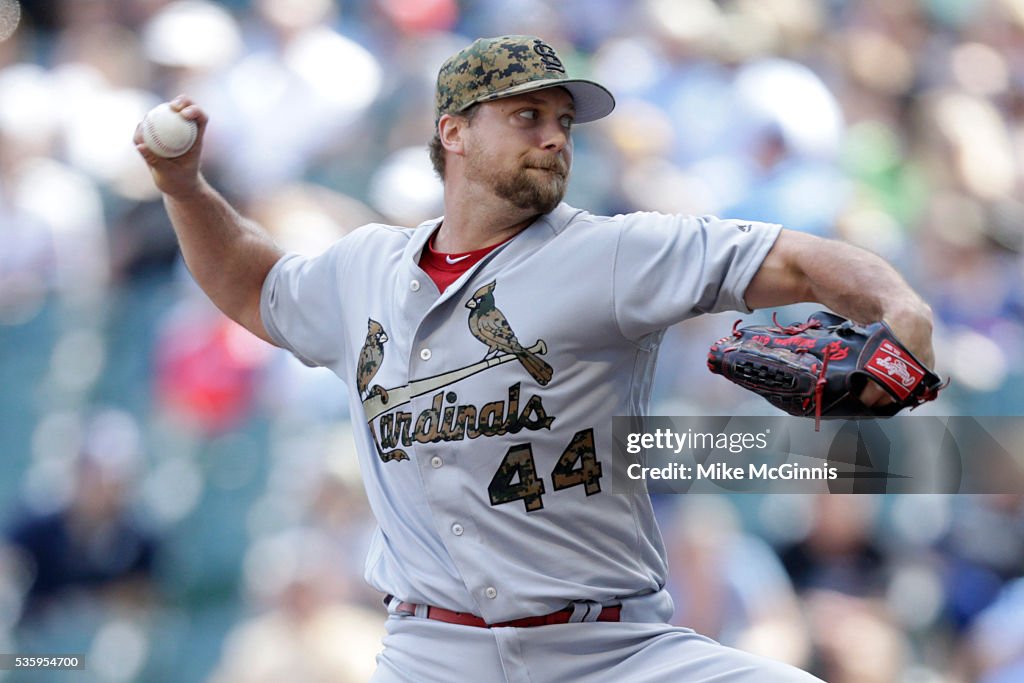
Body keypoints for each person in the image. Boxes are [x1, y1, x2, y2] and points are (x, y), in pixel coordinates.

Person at [135, 35, 934, 683]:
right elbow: (252, 280)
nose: (555, 134)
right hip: (432, 657)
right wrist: (184, 187)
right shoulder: (362, 271)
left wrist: (901, 308)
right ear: (453, 131)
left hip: (613, 652)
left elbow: (793, 259)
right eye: (526, 115)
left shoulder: (616, 251)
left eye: (562, 119)